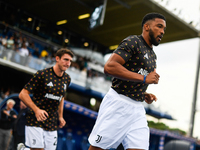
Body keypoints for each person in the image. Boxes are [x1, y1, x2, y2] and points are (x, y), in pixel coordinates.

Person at [88, 12, 166, 150]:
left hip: (137, 109)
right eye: (159, 26)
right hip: (119, 103)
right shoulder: (133, 41)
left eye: (164, 29)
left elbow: (135, 76)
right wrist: (144, 79)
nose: (162, 31)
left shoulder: (153, 56)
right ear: (146, 27)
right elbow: (109, 67)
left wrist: (143, 93)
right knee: (97, 148)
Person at [18, 48, 74, 150]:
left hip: (52, 122)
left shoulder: (67, 79)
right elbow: (23, 94)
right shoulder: (42, 74)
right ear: (57, 58)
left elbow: (61, 98)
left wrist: (60, 117)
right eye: (66, 59)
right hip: (35, 119)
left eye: (70, 61)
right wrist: (36, 110)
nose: (68, 63)